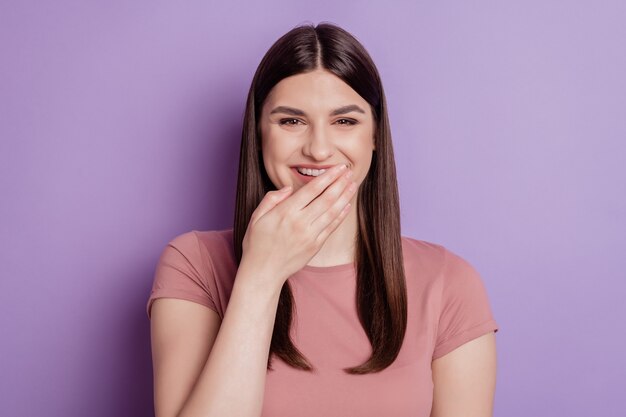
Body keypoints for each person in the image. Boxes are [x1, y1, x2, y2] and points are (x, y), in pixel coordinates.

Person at [146, 22, 498, 417]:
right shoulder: (194, 264)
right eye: (291, 121)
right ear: (259, 133)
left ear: (376, 136)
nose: (318, 149)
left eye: (345, 121)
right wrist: (260, 275)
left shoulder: (448, 283)